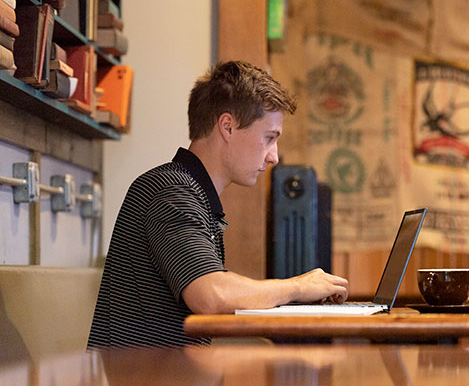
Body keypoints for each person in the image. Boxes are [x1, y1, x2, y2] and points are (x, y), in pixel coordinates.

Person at [87, 61, 349, 349]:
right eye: (269, 138)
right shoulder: (171, 192)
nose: (273, 156)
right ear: (228, 127)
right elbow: (211, 294)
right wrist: (298, 288)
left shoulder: (189, 192)